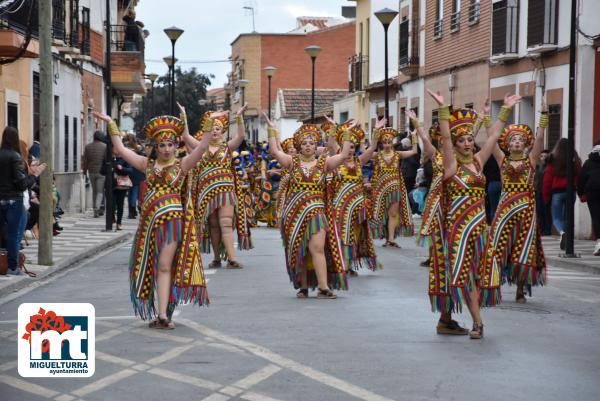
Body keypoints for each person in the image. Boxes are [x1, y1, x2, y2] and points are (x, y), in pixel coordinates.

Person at [94, 109, 211, 329]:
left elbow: (203, 148)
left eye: (170, 145)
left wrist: (208, 125)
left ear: (176, 146)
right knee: (154, 265)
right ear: (155, 147)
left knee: (165, 265)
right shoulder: (146, 165)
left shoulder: (182, 165)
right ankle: (163, 312)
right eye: (162, 145)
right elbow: (119, 148)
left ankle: (164, 314)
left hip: (173, 224)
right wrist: (111, 123)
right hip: (149, 224)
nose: (167, 149)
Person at [427, 89, 521, 339]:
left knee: (471, 276)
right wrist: (443, 109)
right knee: (464, 276)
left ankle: (446, 320)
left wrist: (505, 109)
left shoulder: (478, 162)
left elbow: (495, 137)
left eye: (470, 139)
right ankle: (478, 323)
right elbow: (445, 138)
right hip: (457, 231)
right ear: (455, 145)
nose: (468, 143)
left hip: (479, 229)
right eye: (462, 140)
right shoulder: (450, 167)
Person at [264, 112, 354, 299]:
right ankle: (303, 286)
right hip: (294, 214)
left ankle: (323, 287)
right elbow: (274, 152)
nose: (307, 146)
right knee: (300, 249)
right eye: (304, 143)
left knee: (318, 248)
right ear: (299, 145)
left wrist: (344, 133)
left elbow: (344, 154)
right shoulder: (291, 162)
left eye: (311, 143)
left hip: (316, 213)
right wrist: (271, 129)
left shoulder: (324, 163)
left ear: (316, 147)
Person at [484, 97, 549, 303]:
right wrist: (488, 117)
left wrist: (544, 115)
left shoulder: (531, 160)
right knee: (497, 246)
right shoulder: (502, 159)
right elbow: (491, 139)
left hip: (526, 210)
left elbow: (539, 139)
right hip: (505, 209)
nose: (517, 142)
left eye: (521, 139)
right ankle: (495, 285)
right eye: (513, 139)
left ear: (525, 144)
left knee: (524, 248)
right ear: (508, 144)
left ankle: (520, 290)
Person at [181, 103, 252, 269]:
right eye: (212, 128)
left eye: (218, 128)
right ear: (207, 129)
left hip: (225, 190)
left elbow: (241, 136)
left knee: (225, 222)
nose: (214, 131)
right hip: (206, 191)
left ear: (222, 131)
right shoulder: (200, 147)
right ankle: (217, 257)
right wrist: (183, 116)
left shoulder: (227, 146)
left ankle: (232, 259)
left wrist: (239, 117)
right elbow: (185, 136)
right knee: (212, 224)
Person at [327, 117, 382, 274]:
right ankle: (341, 265)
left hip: (358, 208)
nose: (350, 150)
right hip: (340, 207)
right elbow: (331, 144)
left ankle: (349, 265)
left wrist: (376, 131)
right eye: (348, 147)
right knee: (342, 234)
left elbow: (371, 150)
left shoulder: (359, 161)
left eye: (353, 147)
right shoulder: (337, 160)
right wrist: (336, 129)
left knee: (354, 237)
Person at [0, 127, 46, 275]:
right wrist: (35, 175)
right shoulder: (15, 157)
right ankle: (13, 267)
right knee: (14, 235)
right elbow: (21, 183)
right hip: (14, 200)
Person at [370, 122, 417, 248]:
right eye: (384, 142)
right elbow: (366, 151)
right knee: (380, 213)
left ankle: (390, 239)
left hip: (395, 188)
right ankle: (382, 237)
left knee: (392, 214)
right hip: (380, 189)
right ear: (381, 143)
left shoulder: (398, 154)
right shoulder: (377, 155)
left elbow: (414, 151)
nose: (387, 144)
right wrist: (375, 131)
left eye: (389, 142)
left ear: (392, 142)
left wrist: (414, 137)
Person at [542, 138, 581, 249]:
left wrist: (546, 196)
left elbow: (547, 180)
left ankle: (562, 232)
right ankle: (566, 235)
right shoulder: (574, 159)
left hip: (557, 192)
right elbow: (579, 175)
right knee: (567, 216)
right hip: (571, 191)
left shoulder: (553, 159)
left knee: (556, 217)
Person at [577, 141, 600, 256]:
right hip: (593, 192)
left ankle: (599, 242)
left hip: (593, 192)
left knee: (596, 217)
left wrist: (581, 193)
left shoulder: (589, 162)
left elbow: (581, 179)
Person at [83, 130, 107, 217]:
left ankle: (95, 209)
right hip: (101, 172)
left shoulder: (88, 147)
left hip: (91, 172)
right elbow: (106, 160)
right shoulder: (105, 146)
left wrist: (84, 171)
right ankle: (97, 208)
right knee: (100, 191)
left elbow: (85, 160)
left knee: (94, 191)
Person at [535, 150, 552, 235]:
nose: (543, 158)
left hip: (546, 192)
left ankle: (547, 229)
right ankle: (541, 229)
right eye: (542, 156)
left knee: (546, 211)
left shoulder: (549, 167)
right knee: (539, 211)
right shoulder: (538, 167)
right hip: (539, 191)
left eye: (545, 156)